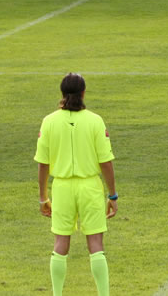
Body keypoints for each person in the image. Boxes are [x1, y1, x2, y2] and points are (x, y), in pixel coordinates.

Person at [34, 73, 118, 296]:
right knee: (96, 244)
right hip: (90, 187)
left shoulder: (49, 121)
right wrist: (113, 196)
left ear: (62, 93)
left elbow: (43, 164)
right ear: (83, 93)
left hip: (61, 188)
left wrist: (43, 197)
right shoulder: (95, 121)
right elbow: (106, 163)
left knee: (60, 244)